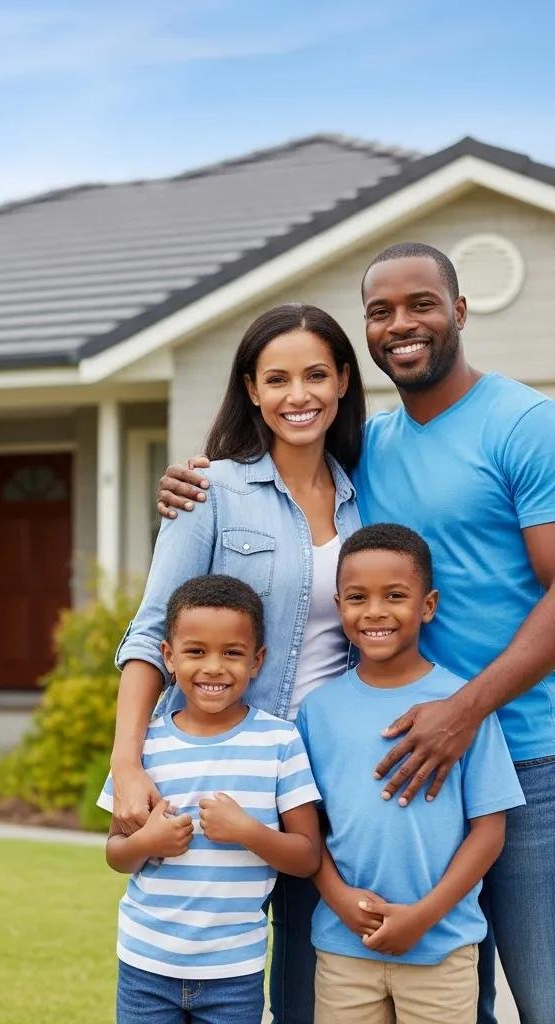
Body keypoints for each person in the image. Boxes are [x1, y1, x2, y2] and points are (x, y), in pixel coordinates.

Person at [156, 242, 555, 1024]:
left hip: (528, 751)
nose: (401, 325)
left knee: (541, 996)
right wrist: (190, 483)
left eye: (422, 305)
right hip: (402, 761)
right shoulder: (366, 452)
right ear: (365, 338)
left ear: (461, 312)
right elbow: (286, 473)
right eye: (381, 312)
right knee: (445, 987)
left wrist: (465, 711)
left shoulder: (525, 422)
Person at [111, 302, 366, 1023]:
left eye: (316, 375)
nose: (299, 395)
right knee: (219, 961)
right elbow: (149, 633)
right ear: (251, 390)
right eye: (277, 378)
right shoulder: (211, 490)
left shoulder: (360, 498)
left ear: (344, 381)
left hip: (327, 773)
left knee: (318, 979)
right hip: (231, 769)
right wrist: (128, 762)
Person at [296, 523, 524, 1023]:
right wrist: (339, 899)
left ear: (428, 605)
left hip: (440, 948)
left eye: (395, 596)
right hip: (343, 947)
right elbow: (306, 826)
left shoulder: (462, 708)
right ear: (339, 606)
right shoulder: (318, 711)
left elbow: (489, 832)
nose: (375, 611)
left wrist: (422, 917)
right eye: (357, 597)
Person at [99, 574, 322, 1024]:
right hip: (146, 964)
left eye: (233, 653)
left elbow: (307, 857)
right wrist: (148, 843)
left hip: (233, 972)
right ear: (168, 656)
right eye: (196, 652)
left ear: (257, 660)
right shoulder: (143, 747)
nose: (214, 668)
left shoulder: (280, 742)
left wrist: (248, 832)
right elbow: (116, 855)